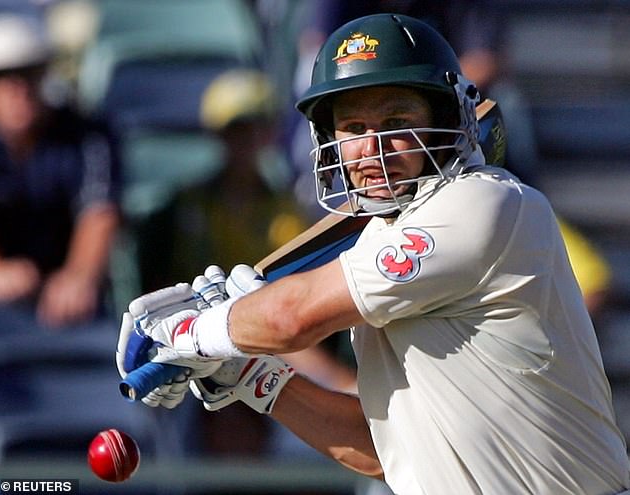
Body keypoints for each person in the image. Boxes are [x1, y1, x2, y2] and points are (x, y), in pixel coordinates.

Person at [117, 14, 630, 495]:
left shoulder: (484, 202)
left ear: (445, 117)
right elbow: (381, 448)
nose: (373, 149)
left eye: (395, 121)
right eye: (354, 129)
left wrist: (185, 333)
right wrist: (250, 376)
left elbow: (291, 318)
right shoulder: (377, 239)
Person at [0, 11, 120, 330]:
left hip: (75, 307)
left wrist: (78, 277)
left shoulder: (87, 136)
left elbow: (99, 211)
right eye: (4, 76)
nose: (17, 87)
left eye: (28, 73)